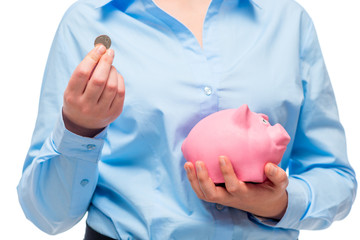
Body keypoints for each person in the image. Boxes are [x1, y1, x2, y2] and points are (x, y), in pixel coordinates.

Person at [17, 0, 357, 239]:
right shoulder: (86, 23)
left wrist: (279, 203)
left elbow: (336, 179)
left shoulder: (288, 20)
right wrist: (79, 129)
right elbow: (50, 214)